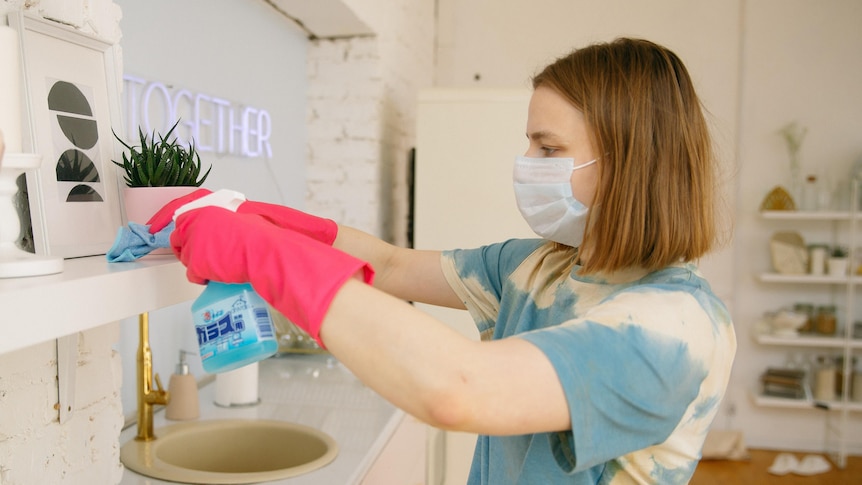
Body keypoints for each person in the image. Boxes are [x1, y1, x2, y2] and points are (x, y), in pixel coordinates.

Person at [150, 37, 736, 484]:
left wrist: (261, 254)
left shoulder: (671, 326)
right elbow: (392, 265)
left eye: (550, 148)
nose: (526, 161)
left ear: (631, 162)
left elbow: (458, 389)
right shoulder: (540, 267)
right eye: (530, 142)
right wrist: (260, 217)